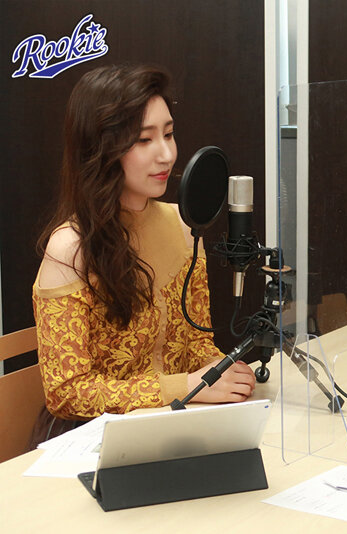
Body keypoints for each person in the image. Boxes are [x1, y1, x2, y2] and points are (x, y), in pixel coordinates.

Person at [32, 64, 255, 430]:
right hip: (92, 436)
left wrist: (220, 371)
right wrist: (184, 386)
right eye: (143, 139)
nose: (166, 154)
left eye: (168, 134)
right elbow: (66, 393)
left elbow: (197, 343)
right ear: (100, 147)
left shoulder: (183, 224)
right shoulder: (69, 247)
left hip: (174, 422)